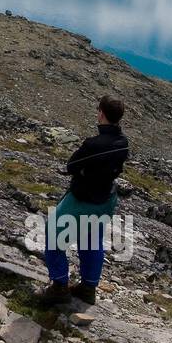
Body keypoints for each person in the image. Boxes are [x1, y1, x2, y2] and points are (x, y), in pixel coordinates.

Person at [36, 95, 129, 306]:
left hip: (83, 198)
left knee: (53, 235)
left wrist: (85, 171)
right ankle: (88, 288)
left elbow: (71, 166)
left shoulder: (94, 144)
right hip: (106, 199)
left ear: (101, 114)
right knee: (91, 239)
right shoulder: (122, 143)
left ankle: (59, 286)